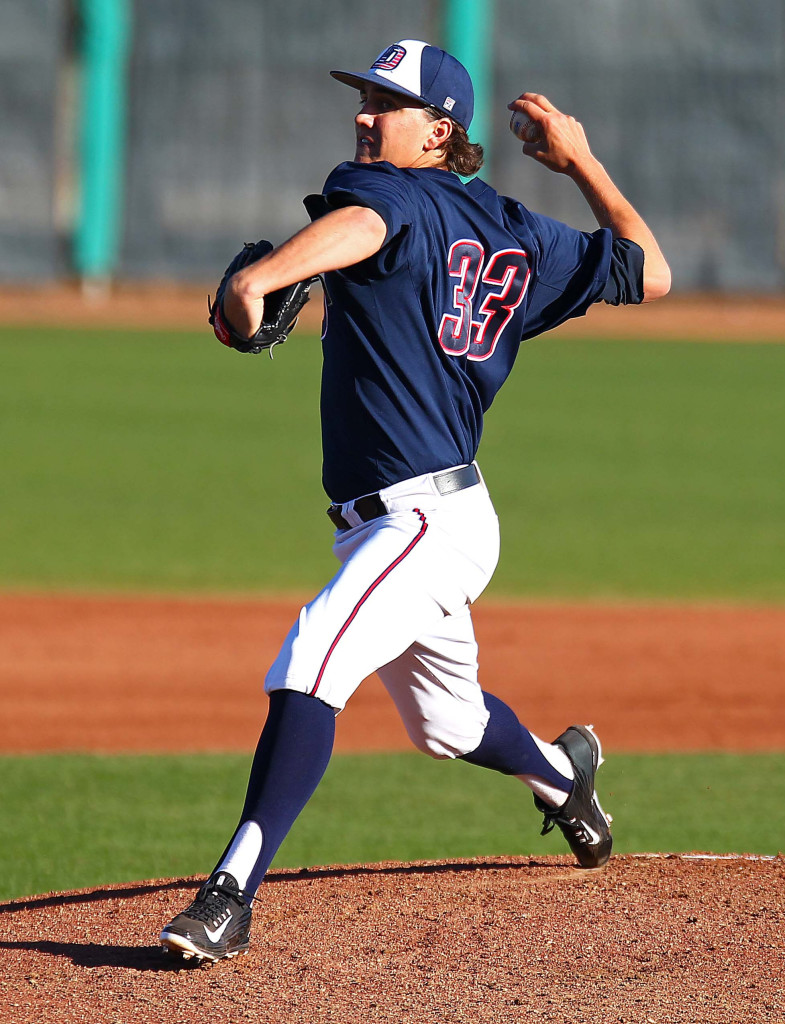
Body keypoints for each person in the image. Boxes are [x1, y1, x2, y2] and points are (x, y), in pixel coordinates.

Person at [160, 39, 671, 963]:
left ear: (439, 132)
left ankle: (229, 894)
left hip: (420, 522)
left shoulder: (381, 194)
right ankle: (565, 776)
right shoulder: (525, 233)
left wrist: (264, 275)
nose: (363, 114)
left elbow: (365, 229)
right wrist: (581, 161)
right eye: (362, 97)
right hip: (437, 518)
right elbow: (649, 268)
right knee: (447, 723)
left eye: (384, 102)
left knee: (313, 654)